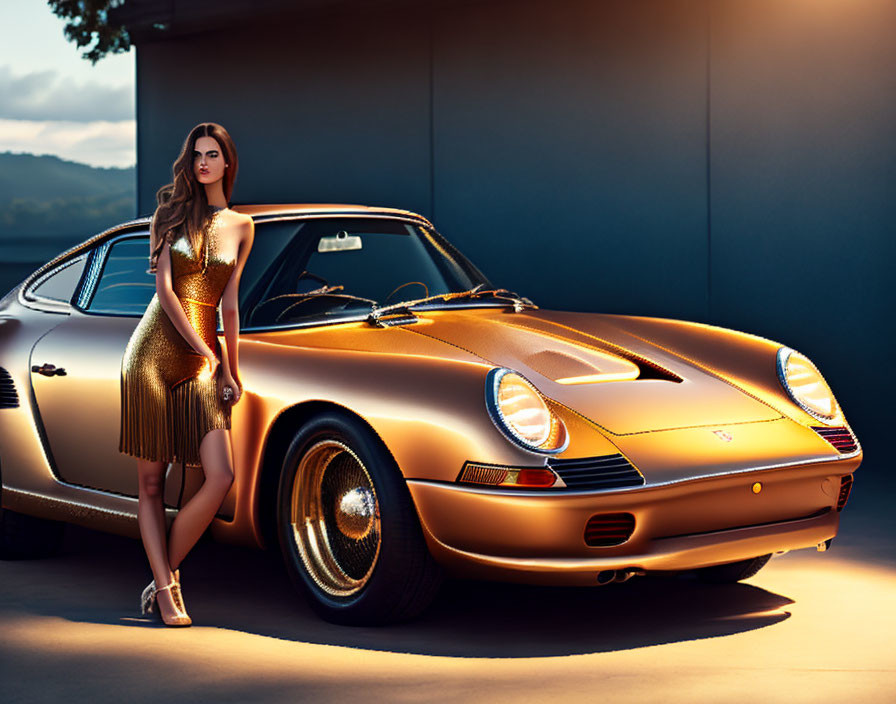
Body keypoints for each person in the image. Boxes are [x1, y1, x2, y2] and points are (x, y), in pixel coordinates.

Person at [118, 122, 255, 627]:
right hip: (154, 350)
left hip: (207, 359)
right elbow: (167, 292)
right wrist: (206, 351)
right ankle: (170, 593)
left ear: (226, 162)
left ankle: (161, 577)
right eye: (196, 154)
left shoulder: (243, 226)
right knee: (152, 484)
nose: (202, 162)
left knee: (220, 475)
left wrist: (230, 370)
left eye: (212, 154)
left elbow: (232, 307)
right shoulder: (169, 215)